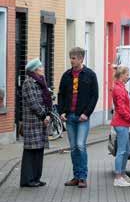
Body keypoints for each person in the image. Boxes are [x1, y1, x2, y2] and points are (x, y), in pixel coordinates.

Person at [58, 47, 98, 189]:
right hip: (70, 117)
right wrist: (61, 111)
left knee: (81, 146)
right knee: (74, 147)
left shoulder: (90, 75)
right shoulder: (66, 75)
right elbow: (61, 94)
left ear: (81, 59)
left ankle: (83, 177)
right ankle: (76, 176)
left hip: (82, 118)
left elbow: (94, 96)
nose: (71, 60)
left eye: (74, 58)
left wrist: (86, 113)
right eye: (71, 58)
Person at [20, 59, 52, 187]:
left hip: (41, 121)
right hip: (33, 122)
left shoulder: (40, 81)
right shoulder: (28, 82)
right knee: (30, 151)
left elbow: (45, 99)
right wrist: (44, 115)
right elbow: (33, 103)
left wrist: (48, 114)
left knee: (39, 150)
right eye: (40, 67)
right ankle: (28, 180)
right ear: (35, 70)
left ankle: (36, 178)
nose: (43, 69)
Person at [111, 66, 130, 187]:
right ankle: (118, 177)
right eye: (127, 74)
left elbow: (125, 108)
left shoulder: (121, 87)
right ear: (122, 75)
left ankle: (122, 174)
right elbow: (122, 109)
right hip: (121, 123)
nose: (128, 76)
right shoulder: (118, 89)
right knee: (122, 151)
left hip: (123, 123)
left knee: (127, 151)